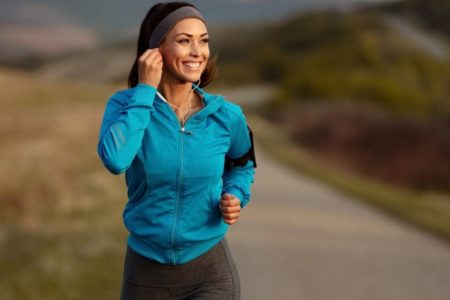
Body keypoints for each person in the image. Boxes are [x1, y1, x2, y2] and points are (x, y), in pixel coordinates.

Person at [96, 2, 256, 299]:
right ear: (154, 52)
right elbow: (116, 160)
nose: (198, 52)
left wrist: (236, 194)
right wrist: (145, 91)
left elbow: (242, 165)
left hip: (211, 272)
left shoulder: (227, 116)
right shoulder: (124, 106)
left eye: (203, 40)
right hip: (145, 275)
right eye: (184, 41)